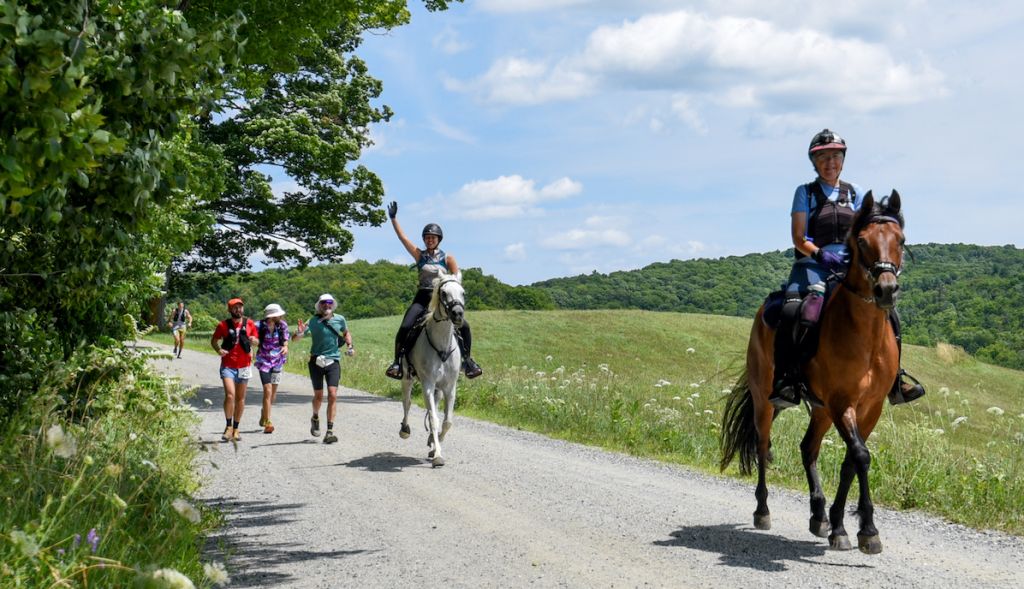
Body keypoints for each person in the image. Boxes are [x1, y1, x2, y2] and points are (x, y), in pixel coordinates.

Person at [770, 129, 925, 409]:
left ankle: (895, 378)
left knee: (889, 314)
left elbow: (872, 229)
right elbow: (798, 237)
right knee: (794, 309)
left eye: (836, 156)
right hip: (812, 265)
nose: (830, 162)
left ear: (843, 160)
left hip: (851, 265)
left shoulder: (857, 193)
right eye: (824, 157)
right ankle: (787, 379)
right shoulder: (805, 193)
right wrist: (820, 255)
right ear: (814, 162)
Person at [383, 201, 482, 380]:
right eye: (427, 237)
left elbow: (456, 280)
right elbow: (403, 238)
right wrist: (393, 219)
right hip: (423, 297)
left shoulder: (448, 258)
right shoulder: (420, 256)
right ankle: (397, 363)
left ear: (438, 240)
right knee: (405, 326)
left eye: (433, 237)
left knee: (464, 326)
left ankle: (468, 361)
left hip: (443, 299)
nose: (430, 240)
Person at [292, 294, 355, 445]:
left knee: (333, 394)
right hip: (316, 361)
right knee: (319, 396)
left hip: (333, 361)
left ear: (333, 305)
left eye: (329, 303)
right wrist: (299, 332)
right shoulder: (312, 321)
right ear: (319, 306)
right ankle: (315, 416)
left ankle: (330, 431)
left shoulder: (340, 319)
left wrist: (350, 346)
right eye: (323, 303)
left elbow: (346, 332)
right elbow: (295, 339)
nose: (327, 306)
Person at [210, 298, 259, 442]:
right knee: (230, 395)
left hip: (244, 366)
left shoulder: (249, 323)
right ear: (230, 310)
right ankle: (228, 426)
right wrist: (218, 350)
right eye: (235, 308)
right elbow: (214, 340)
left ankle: (236, 428)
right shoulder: (223, 325)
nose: (238, 310)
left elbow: (257, 340)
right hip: (228, 366)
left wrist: (254, 341)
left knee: (240, 399)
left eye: (240, 307)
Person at [255, 303, 289, 434]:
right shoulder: (259, 326)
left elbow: (285, 341)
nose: (281, 316)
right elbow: (250, 337)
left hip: (278, 362)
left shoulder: (283, 325)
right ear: (272, 316)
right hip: (263, 361)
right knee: (267, 390)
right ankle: (268, 422)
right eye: (278, 314)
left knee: (273, 394)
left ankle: (264, 412)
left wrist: (285, 347)